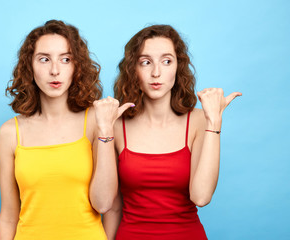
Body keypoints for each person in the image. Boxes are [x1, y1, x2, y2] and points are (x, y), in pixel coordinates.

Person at [103, 24, 242, 240]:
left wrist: (214, 121)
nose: (156, 72)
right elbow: (112, 207)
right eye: (146, 62)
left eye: (166, 61)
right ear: (133, 70)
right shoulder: (115, 125)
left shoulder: (198, 121)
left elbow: (201, 196)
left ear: (178, 67)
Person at [0, 20, 132, 240]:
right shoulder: (10, 132)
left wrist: (106, 130)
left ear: (77, 66)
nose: (54, 70)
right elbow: (8, 216)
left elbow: (106, 204)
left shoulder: (97, 122)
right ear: (29, 66)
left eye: (66, 59)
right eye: (44, 59)